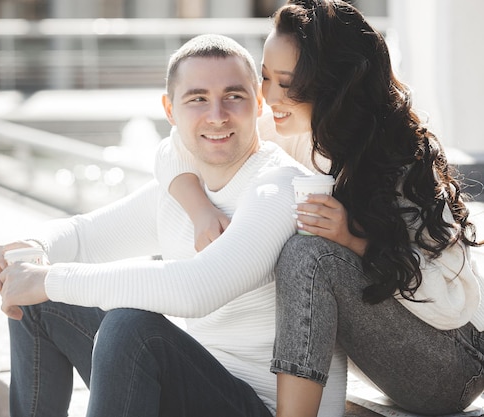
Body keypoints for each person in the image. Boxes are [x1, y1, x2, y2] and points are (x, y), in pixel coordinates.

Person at [0, 33, 346, 417]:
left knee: (130, 328)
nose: (216, 115)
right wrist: (31, 249)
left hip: (261, 407)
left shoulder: (279, 186)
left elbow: (199, 287)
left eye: (234, 96)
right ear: (170, 110)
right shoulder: (179, 189)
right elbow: (82, 236)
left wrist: (48, 279)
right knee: (38, 301)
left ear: (258, 102)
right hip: (192, 387)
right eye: (197, 99)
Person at [166, 1, 484, 416]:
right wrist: (199, 209)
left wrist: (353, 240)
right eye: (265, 78)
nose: (270, 97)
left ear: (331, 84)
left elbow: (453, 304)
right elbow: (178, 143)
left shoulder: (400, 158)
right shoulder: (289, 129)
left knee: (309, 254)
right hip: (386, 363)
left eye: (288, 82)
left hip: (453, 364)